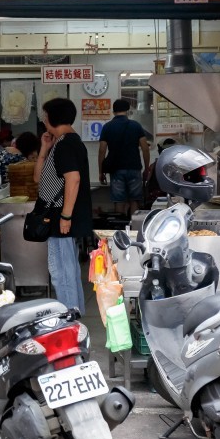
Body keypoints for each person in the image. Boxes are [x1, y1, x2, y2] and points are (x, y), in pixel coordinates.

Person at [34, 98, 89, 315]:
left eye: (44, 115)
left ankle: (68, 318)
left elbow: (73, 179)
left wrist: (65, 216)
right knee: (68, 269)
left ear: (50, 118)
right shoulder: (62, 142)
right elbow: (39, 178)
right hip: (59, 217)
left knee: (61, 271)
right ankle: (73, 314)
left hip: (60, 218)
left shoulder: (66, 144)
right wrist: (44, 148)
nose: (43, 119)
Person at [98, 98, 150, 217]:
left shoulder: (107, 127)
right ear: (127, 111)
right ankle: (134, 230)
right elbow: (145, 148)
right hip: (134, 168)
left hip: (116, 170)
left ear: (113, 111)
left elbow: (102, 150)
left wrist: (101, 172)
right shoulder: (136, 126)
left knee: (119, 200)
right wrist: (146, 168)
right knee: (134, 200)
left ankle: (119, 230)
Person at [145, 138, 178, 203]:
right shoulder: (173, 166)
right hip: (164, 198)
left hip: (154, 198)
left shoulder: (153, 165)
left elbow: (146, 182)